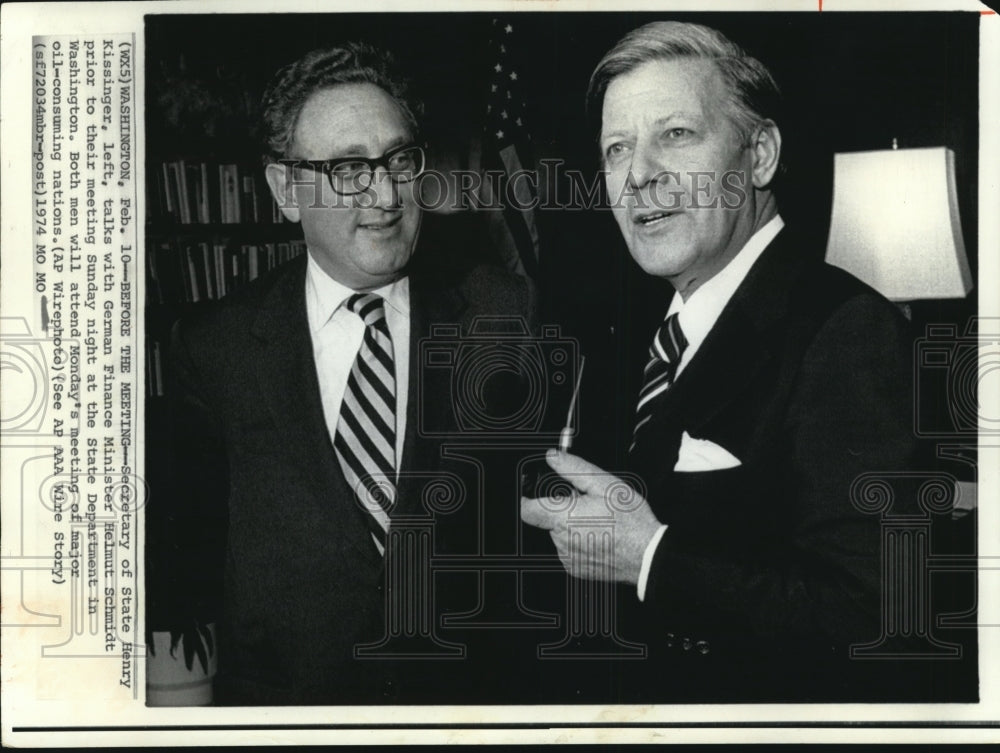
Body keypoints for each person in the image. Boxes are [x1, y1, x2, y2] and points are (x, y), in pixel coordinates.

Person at [521, 21, 928, 701]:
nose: (639, 174)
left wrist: (650, 558)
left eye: (674, 134)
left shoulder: (848, 331)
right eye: (616, 148)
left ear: (760, 155)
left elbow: (879, 619)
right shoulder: (645, 336)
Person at [158, 42, 536, 705]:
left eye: (399, 160)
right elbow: (186, 569)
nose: (386, 194)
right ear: (286, 190)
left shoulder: (501, 313)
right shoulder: (215, 348)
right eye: (349, 169)